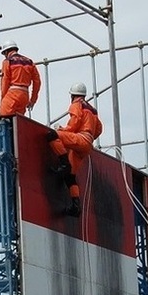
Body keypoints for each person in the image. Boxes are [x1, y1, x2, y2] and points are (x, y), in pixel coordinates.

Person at [46, 82, 103, 217]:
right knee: (70, 176)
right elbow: (99, 128)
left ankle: (64, 164)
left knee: (52, 135)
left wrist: (63, 130)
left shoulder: (76, 104)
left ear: (72, 95)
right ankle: (76, 206)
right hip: (87, 144)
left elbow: (75, 121)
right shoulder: (92, 110)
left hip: (80, 139)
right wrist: (90, 138)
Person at [0, 40, 41, 117]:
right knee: (18, 120)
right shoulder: (29, 62)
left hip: (13, 93)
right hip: (25, 95)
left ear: (6, 52)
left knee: (3, 117)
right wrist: (33, 100)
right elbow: (37, 81)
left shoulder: (8, 61)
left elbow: (5, 81)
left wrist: (3, 98)